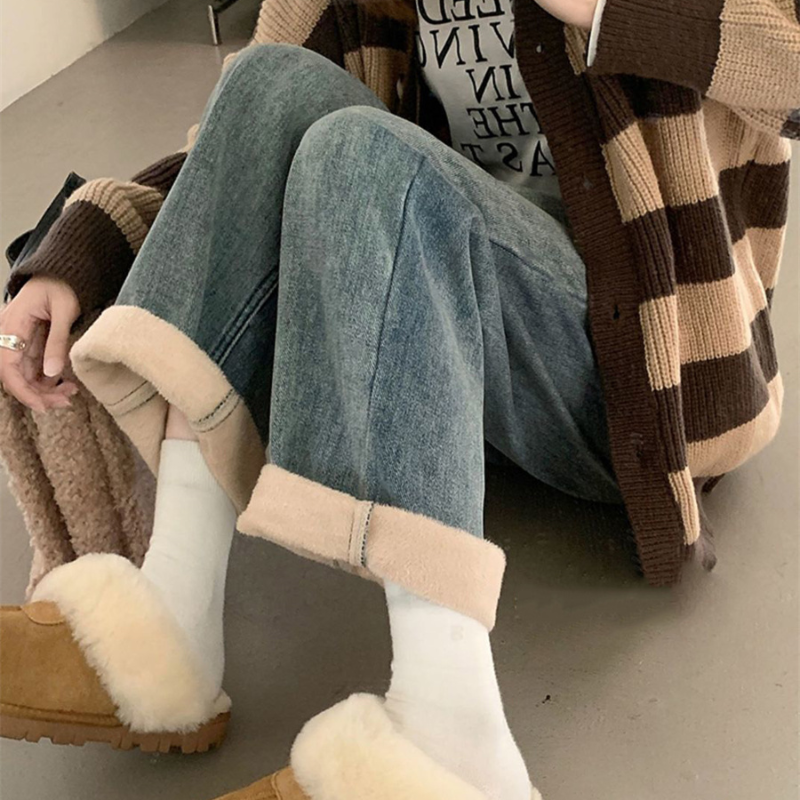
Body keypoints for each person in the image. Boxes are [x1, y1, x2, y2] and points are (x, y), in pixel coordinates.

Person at [0, 1, 796, 798]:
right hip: (454, 333)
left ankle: (453, 732)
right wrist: (80, 248)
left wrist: (600, 8)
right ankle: (167, 625)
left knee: (364, 150)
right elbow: (233, 153)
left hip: (644, 373)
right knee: (267, 83)